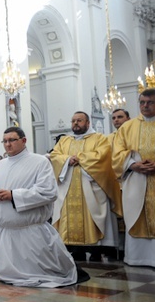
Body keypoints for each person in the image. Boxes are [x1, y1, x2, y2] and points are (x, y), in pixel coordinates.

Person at [0, 127, 85, 287]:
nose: (8, 144)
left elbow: (48, 192)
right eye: (5, 141)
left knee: (39, 272)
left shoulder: (39, 162)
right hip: (5, 231)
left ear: (23, 141)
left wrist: (13, 195)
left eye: (12, 140)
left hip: (30, 231)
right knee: (6, 275)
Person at [50, 112, 121, 261]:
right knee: (68, 217)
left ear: (88, 123)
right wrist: (68, 160)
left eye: (79, 121)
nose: (76, 123)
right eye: (74, 120)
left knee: (93, 215)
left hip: (91, 184)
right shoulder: (64, 140)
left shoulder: (99, 138)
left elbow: (103, 156)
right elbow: (55, 156)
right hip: (68, 185)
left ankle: (95, 250)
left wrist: (80, 158)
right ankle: (76, 250)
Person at [112, 89, 155, 268]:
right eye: (142, 102)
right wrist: (133, 165)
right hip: (136, 178)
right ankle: (138, 258)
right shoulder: (128, 127)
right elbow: (117, 153)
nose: (145, 106)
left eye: (150, 102)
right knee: (136, 215)